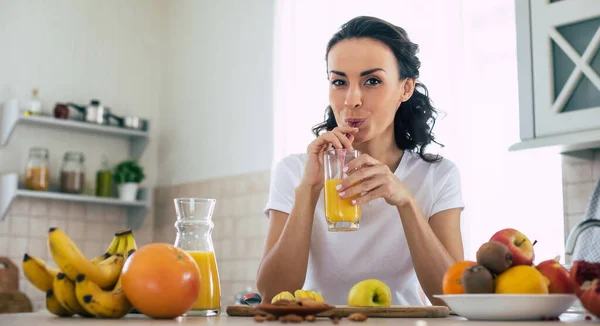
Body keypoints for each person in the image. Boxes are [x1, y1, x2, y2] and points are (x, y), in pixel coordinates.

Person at [256, 15, 465, 307]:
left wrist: (405, 201)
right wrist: (308, 191)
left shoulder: (438, 175)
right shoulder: (294, 172)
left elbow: (453, 299)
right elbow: (271, 294)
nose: (351, 99)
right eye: (339, 81)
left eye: (372, 81)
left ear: (405, 88)